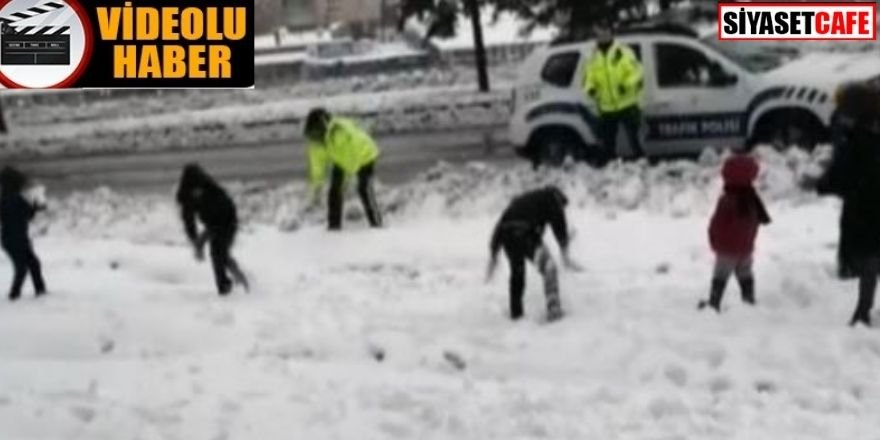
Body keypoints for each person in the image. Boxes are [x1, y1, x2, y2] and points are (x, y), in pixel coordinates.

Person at [814, 82, 880, 326]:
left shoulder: (857, 141)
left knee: (868, 257)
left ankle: (863, 310)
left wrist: (821, 184)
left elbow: (842, 175)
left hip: (864, 207)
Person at [486, 186, 582, 322]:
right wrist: (565, 250)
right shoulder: (552, 199)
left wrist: (493, 253)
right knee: (549, 267)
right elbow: (559, 224)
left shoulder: (525, 200)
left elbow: (501, 223)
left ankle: (516, 315)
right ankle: (554, 311)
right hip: (525, 236)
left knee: (517, 276)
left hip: (507, 237)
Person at [699, 150, 771, 312]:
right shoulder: (753, 199)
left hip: (726, 250)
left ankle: (714, 302)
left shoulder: (727, 200)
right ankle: (749, 299)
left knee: (720, 276)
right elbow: (755, 223)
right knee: (745, 274)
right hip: (745, 248)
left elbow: (717, 224)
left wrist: (714, 240)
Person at [303, 108, 382, 231]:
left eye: (316, 133)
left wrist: (349, 180)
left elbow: (352, 154)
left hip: (365, 154)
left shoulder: (340, 131)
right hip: (340, 159)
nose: (316, 138)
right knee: (334, 191)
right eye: (313, 135)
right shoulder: (316, 144)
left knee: (364, 189)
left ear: (322, 126)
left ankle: (377, 224)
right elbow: (317, 167)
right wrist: (316, 190)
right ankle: (334, 227)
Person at [176, 163, 248, 296]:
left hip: (227, 221)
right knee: (220, 254)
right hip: (211, 223)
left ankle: (226, 286)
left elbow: (228, 211)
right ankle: (233, 281)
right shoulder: (186, 197)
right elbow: (189, 221)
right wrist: (196, 242)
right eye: (194, 190)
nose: (198, 193)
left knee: (218, 252)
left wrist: (205, 239)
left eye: (199, 189)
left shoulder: (214, 191)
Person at [582, 21, 646, 160]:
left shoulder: (623, 51)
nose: (603, 36)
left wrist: (626, 84)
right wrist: (591, 89)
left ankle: (641, 165)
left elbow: (638, 72)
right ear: (596, 35)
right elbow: (588, 79)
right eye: (600, 33)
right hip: (607, 108)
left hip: (627, 104)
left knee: (635, 141)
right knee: (608, 144)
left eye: (606, 32)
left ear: (611, 33)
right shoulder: (592, 56)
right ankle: (612, 168)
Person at [0, 166, 46, 301]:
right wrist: (36, 207)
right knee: (24, 267)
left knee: (32, 264)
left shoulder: (7, 198)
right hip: (15, 239)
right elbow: (26, 214)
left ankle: (39, 291)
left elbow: (23, 214)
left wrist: (34, 208)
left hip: (13, 238)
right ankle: (14, 296)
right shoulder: (13, 198)